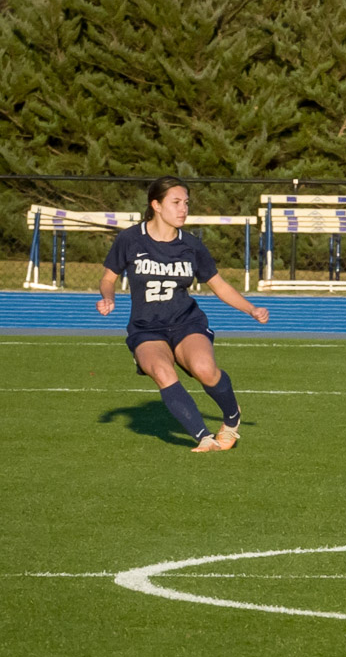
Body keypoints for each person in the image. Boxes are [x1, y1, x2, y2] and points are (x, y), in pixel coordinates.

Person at [97, 176, 268, 452]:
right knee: (163, 372)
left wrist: (251, 308)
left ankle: (232, 417)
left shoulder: (191, 245)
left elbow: (219, 285)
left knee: (205, 370)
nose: (183, 209)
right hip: (146, 328)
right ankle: (203, 437)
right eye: (176, 202)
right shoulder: (129, 239)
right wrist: (108, 297)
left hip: (185, 323)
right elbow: (108, 278)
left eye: (186, 203)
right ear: (156, 205)